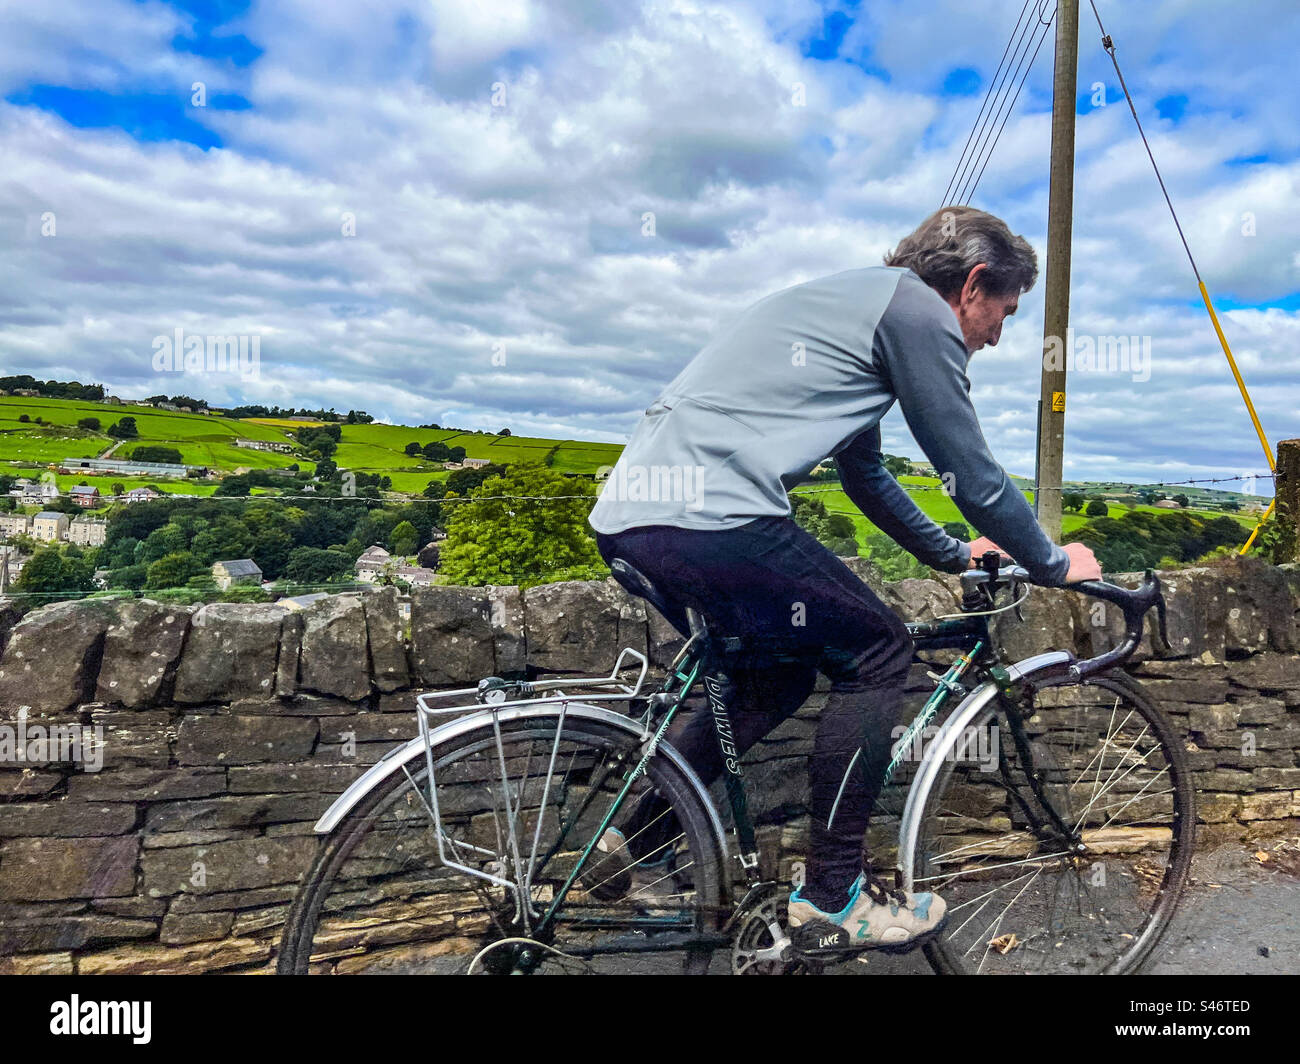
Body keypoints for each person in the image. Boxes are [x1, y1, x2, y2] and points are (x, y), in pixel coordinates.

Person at [586, 206, 1102, 957]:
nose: (997, 335)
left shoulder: (856, 308)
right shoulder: (918, 315)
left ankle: (631, 848)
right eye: (1005, 313)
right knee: (879, 649)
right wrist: (1053, 563)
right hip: (711, 514)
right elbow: (975, 475)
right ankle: (834, 898)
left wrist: (952, 556)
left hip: (636, 517)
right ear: (974, 285)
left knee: (782, 669)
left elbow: (865, 475)